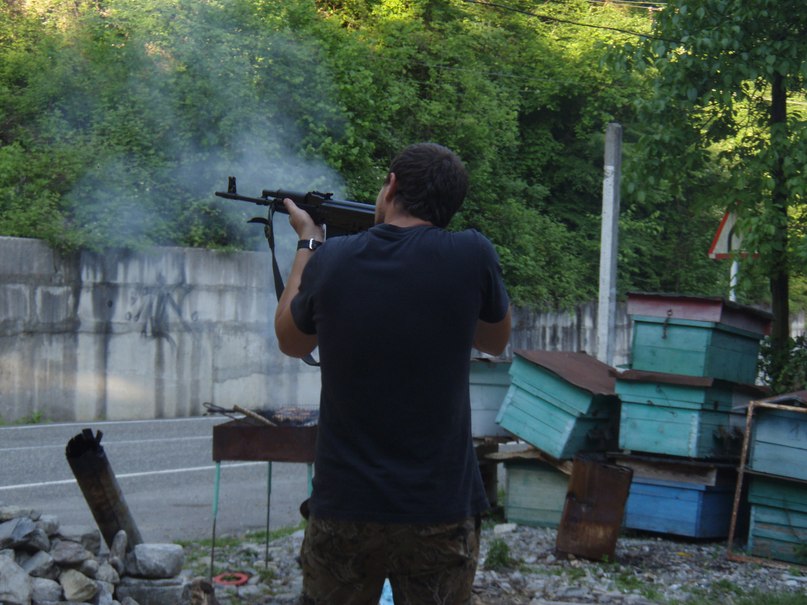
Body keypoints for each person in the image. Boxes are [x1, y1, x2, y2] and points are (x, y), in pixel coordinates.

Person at [274, 142, 511, 605]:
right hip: (440, 506)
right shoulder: (472, 254)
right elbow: (495, 340)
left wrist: (308, 242)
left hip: (345, 503)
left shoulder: (334, 259)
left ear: (393, 185)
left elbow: (291, 340)